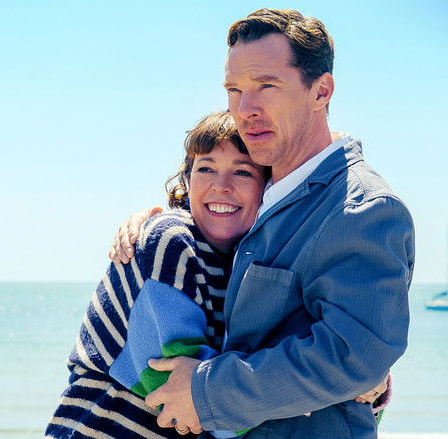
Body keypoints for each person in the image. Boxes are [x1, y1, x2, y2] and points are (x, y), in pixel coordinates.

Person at [109, 8, 414, 439]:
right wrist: (166, 216)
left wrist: (205, 393)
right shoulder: (265, 188)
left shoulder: (360, 208)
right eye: (234, 89)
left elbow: (352, 353)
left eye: (267, 85)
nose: (245, 108)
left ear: (320, 91)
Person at [45, 111, 388, 439]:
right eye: (205, 169)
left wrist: (363, 373)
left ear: (270, 191)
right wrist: (334, 386)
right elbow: (183, 400)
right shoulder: (169, 243)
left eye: (242, 173)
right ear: (187, 180)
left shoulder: (247, 264)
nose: (220, 186)